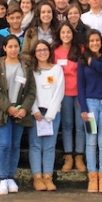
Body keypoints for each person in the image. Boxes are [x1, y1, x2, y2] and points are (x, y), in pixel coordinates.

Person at [0, 35, 36, 194]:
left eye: (16, 46)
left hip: (20, 111)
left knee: (15, 145)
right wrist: (8, 107)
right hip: (3, 111)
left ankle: (11, 177)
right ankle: (3, 178)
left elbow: (31, 91)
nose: (13, 49)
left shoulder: (26, 66)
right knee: (5, 144)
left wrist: (24, 108)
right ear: (4, 48)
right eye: (10, 46)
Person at [78, 29, 102, 193]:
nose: (95, 43)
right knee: (91, 141)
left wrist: (94, 64)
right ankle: (92, 176)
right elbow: (80, 86)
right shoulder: (82, 60)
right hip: (90, 104)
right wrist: (84, 108)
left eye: (97, 40)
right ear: (87, 43)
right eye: (91, 41)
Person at [29, 40, 65, 191]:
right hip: (35, 112)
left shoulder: (56, 69)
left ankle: (48, 176)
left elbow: (59, 90)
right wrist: (35, 110)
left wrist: (50, 113)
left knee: (50, 146)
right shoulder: (31, 70)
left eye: (44, 49)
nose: (42, 52)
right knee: (35, 145)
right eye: (38, 50)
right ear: (34, 54)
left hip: (52, 112)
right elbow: (29, 92)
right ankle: (37, 176)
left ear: (49, 51)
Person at [54, 22, 86, 173]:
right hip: (63, 94)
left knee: (80, 126)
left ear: (73, 34)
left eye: (68, 32)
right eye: (63, 33)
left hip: (80, 93)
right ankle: (68, 156)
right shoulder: (55, 51)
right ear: (59, 35)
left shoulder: (80, 49)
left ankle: (79, 155)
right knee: (67, 125)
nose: (66, 35)